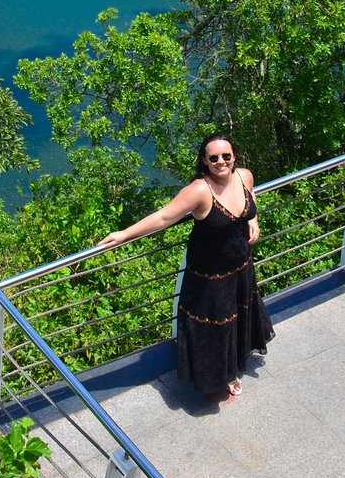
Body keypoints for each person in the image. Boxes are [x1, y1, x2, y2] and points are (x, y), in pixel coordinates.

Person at [97, 133, 274, 398]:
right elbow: (164, 216)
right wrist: (123, 234)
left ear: (234, 156)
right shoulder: (200, 190)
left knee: (238, 315)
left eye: (226, 156)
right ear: (204, 161)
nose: (221, 162)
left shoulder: (244, 176)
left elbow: (251, 197)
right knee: (217, 326)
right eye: (213, 158)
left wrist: (253, 219)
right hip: (210, 276)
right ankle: (223, 375)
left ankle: (234, 362)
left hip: (241, 265)